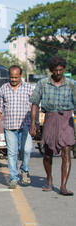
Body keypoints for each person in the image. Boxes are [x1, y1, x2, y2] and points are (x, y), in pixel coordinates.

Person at [29, 56, 75, 196]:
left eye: (61, 70)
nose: (59, 73)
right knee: (48, 153)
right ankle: (49, 179)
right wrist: (34, 123)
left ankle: (63, 186)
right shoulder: (43, 84)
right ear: (51, 71)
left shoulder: (71, 84)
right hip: (50, 118)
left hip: (66, 119)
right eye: (56, 71)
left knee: (66, 151)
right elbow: (35, 104)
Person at [0, 65, 35, 189]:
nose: (14, 79)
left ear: (20, 76)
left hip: (25, 125)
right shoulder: (4, 88)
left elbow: (34, 107)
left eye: (16, 77)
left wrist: (35, 124)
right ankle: (13, 178)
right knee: (12, 153)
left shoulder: (29, 88)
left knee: (26, 149)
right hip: (10, 126)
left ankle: (24, 170)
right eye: (11, 77)